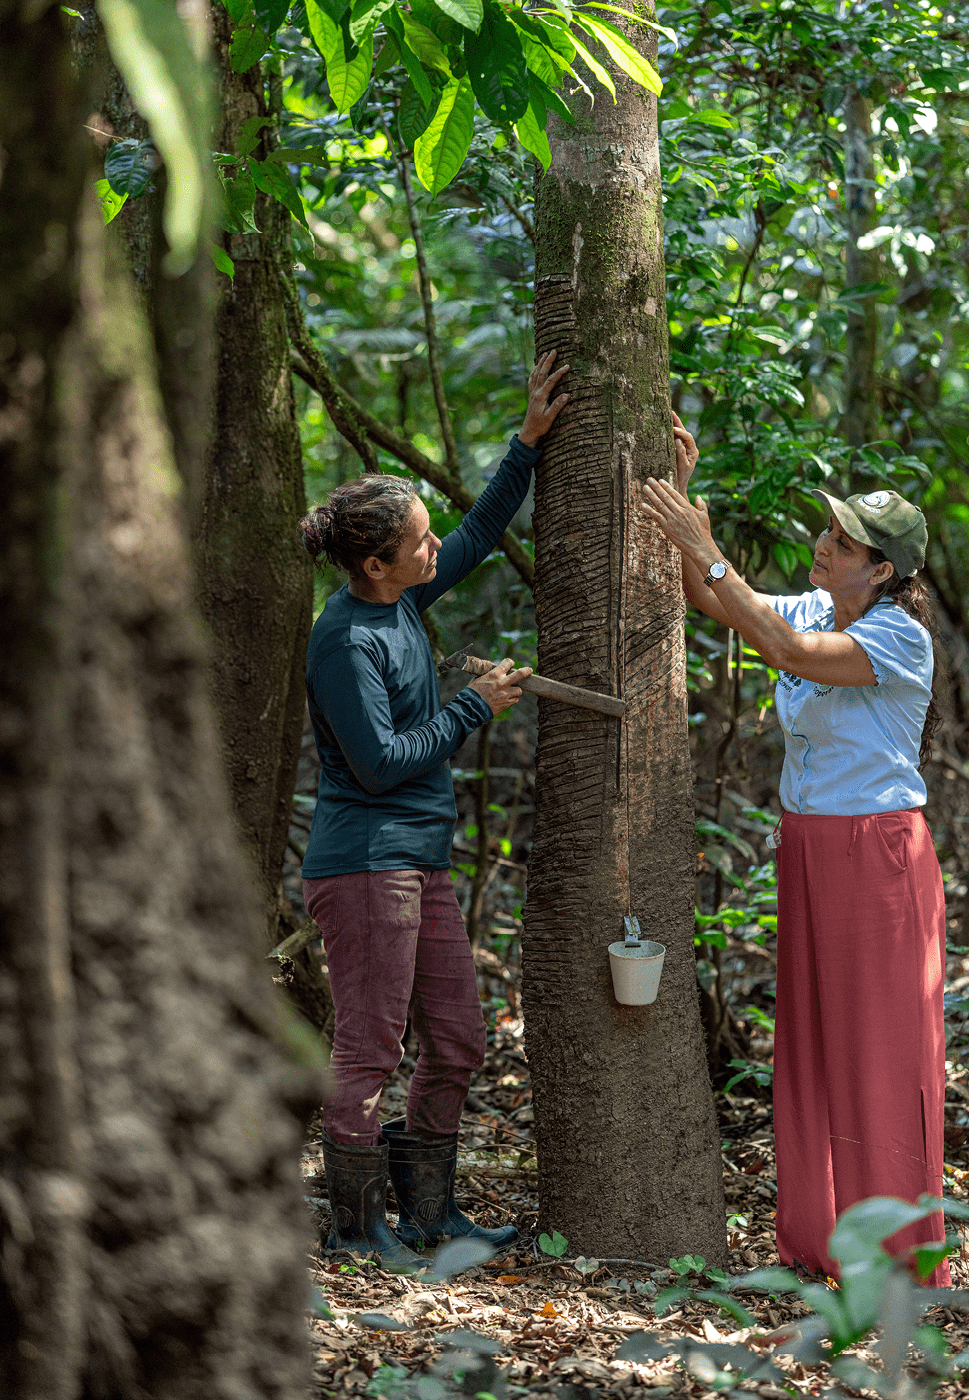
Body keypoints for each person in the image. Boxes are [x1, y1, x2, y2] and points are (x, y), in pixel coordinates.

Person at [641, 412, 950, 1289]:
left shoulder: (899, 637)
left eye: (844, 540)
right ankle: (821, 1237)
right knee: (811, 1040)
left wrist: (703, 545)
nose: (823, 544)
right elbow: (723, 601)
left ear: (882, 569)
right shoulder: (821, 599)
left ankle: (894, 1256)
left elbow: (783, 648)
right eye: (827, 528)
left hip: (878, 856)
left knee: (878, 1048)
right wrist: (686, 497)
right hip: (811, 849)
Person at [297, 350, 569, 1271]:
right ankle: (355, 1224)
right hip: (368, 858)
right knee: (369, 1050)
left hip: (420, 859)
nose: (431, 548)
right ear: (374, 563)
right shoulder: (345, 637)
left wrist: (527, 442)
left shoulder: (404, 595)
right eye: (415, 543)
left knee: (455, 1037)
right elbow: (376, 766)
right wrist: (473, 705)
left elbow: (480, 532)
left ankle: (428, 1214)